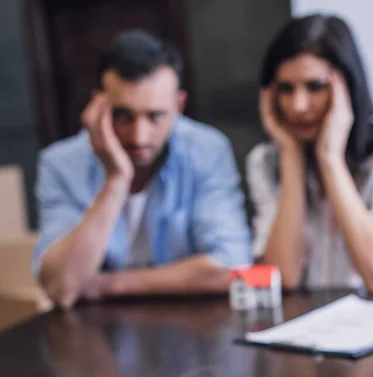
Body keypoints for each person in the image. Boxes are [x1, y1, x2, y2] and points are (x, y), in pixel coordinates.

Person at [33, 30, 251, 309]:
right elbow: (63, 289)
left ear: (179, 105)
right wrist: (116, 179)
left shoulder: (207, 150)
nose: (139, 136)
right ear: (99, 105)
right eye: (123, 115)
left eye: (155, 116)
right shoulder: (59, 164)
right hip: (96, 336)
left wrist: (109, 284)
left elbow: (232, 267)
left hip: (189, 328)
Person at [247, 14, 373, 290]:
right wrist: (291, 158)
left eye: (315, 86)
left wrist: (330, 160)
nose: (298, 106)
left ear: (347, 87)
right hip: (305, 326)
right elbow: (284, 279)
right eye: (286, 89)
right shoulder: (266, 162)